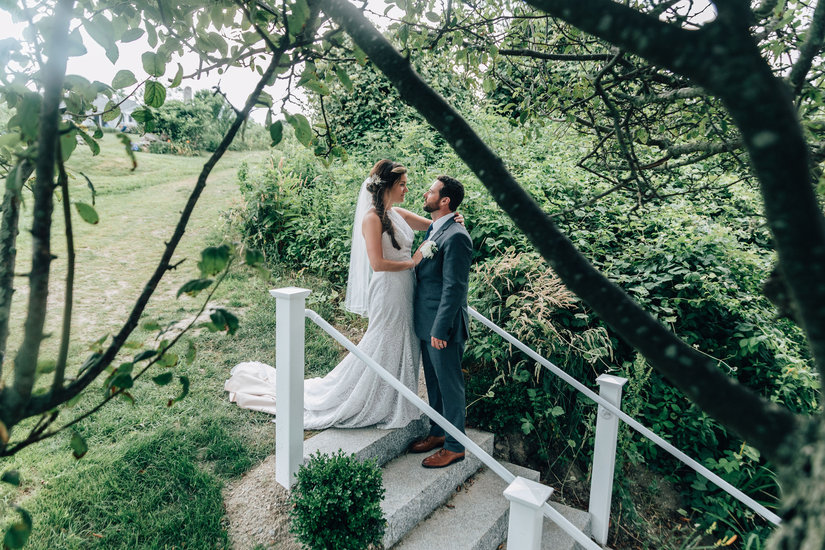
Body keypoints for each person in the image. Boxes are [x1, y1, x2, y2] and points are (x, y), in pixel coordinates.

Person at [225, 160, 460, 430]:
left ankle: (397, 399)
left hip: (407, 288)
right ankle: (368, 397)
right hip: (388, 289)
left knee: (403, 340)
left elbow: (435, 226)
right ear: (389, 186)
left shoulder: (400, 214)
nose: (407, 189)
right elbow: (377, 263)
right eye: (403, 184)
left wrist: (454, 217)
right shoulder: (371, 219)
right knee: (384, 340)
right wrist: (412, 262)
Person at [407, 175, 473, 468]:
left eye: (431, 191)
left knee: (449, 385)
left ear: (445, 200)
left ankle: (455, 445)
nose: (426, 193)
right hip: (425, 319)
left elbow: (454, 287)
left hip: (441, 325)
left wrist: (440, 328)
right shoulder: (436, 229)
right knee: (433, 382)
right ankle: (437, 432)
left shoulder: (457, 236)